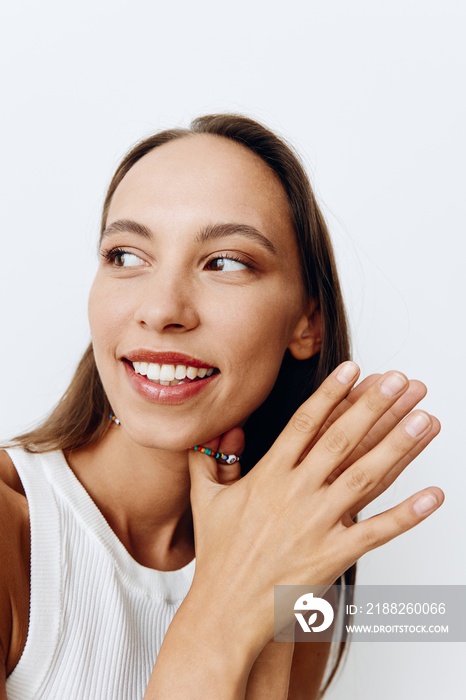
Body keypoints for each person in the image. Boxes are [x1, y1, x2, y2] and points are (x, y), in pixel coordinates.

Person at [0, 114, 443, 699]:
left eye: (226, 262)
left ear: (307, 323)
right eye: (125, 255)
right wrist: (223, 614)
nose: (161, 309)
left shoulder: (295, 548)